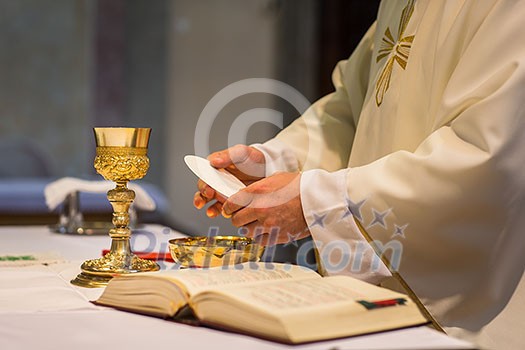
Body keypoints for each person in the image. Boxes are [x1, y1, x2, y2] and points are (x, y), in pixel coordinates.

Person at [193, 1, 525, 349]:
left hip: (473, 312)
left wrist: (312, 200)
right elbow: (354, 111)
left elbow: (488, 158)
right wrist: (273, 162)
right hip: (379, 309)